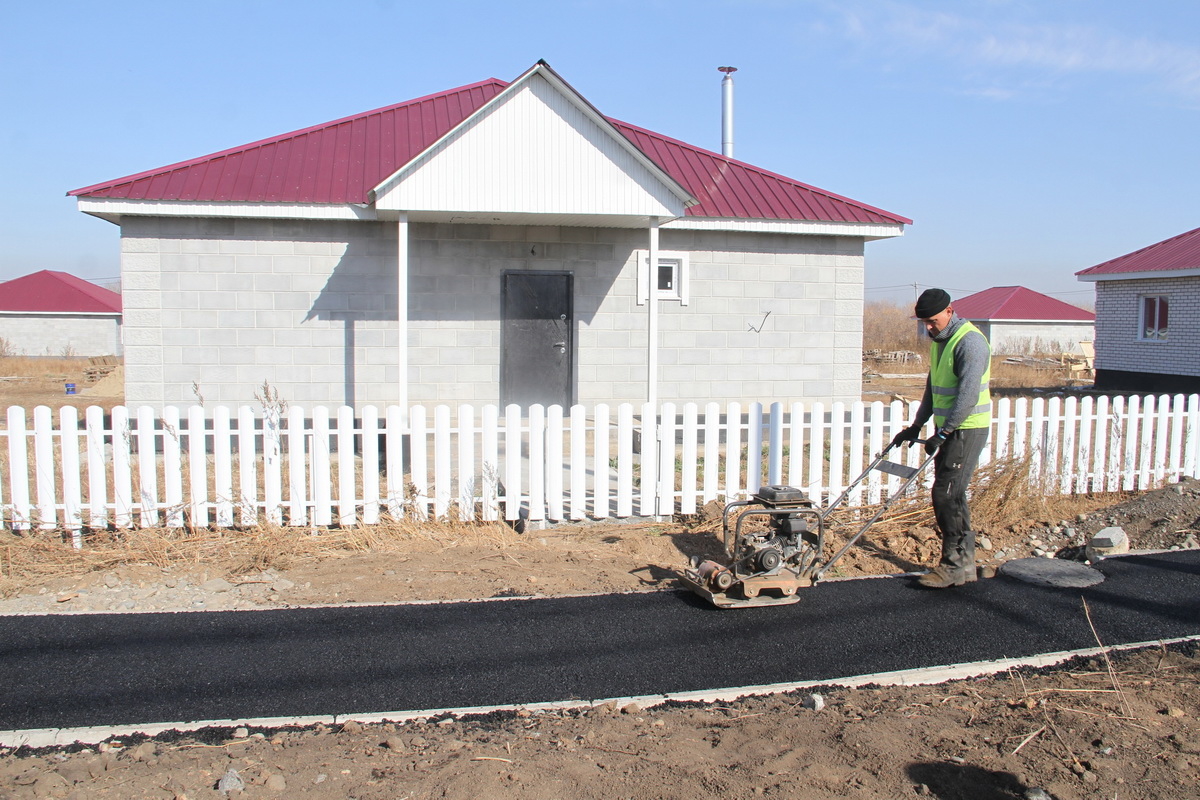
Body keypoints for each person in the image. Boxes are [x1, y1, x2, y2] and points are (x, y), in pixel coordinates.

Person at [890, 288, 992, 588]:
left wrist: (944, 432)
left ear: (950, 311)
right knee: (949, 493)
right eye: (924, 323)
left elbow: (968, 395)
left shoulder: (970, 342)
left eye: (933, 321)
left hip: (967, 428)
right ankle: (965, 565)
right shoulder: (941, 341)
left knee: (947, 494)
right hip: (949, 428)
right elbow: (934, 389)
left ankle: (955, 565)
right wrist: (917, 425)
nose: (929, 328)